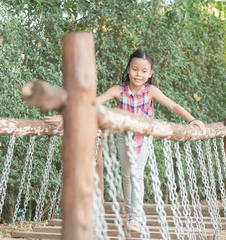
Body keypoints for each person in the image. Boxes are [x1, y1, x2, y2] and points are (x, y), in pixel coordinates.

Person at [46, 49, 206, 232]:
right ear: (128, 69)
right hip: (124, 137)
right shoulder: (117, 90)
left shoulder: (151, 91)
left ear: (150, 73)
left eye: (144, 71)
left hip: (143, 136)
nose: (139, 74)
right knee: (127, 175)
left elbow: (173, 105)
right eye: (135, 69)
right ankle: (130, 214)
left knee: (136, 175)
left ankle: (136, 217)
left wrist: (192, 120)